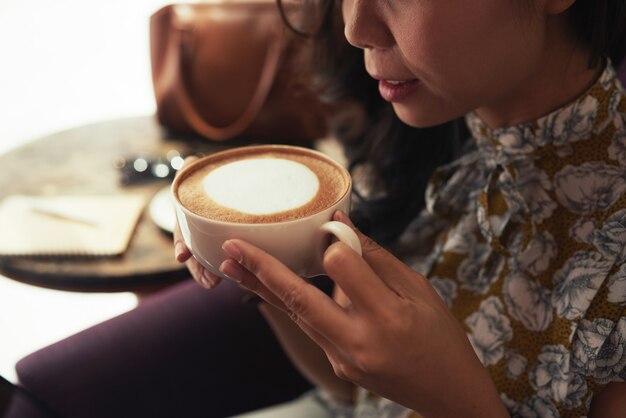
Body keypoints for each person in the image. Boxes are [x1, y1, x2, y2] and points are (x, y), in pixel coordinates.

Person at [174, 0, 626, 416]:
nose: (354, 28)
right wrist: (246, 250)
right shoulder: (431, 140)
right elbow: (357, 392)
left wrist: (460, 405)